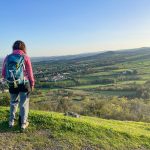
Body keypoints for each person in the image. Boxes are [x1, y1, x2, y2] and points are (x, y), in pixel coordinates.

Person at [2, 40, 35, 130]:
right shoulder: (25, 57)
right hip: (24, 83)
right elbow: (30, 72)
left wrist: (9, 79)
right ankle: (23, 124)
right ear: (23, 48)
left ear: (13, 47)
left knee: (13, 102)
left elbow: (3, 72)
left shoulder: (8, 57)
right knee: (23, 103)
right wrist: (32, 83)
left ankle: (11, 122)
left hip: (12, 83)